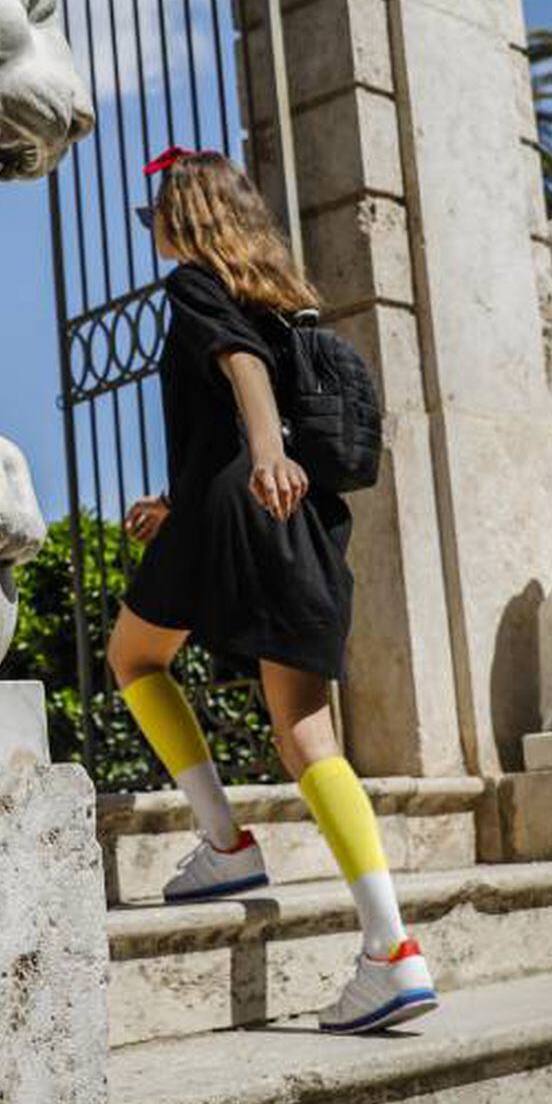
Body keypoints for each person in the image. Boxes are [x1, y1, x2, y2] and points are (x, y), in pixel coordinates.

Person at [108, 147, 437, 1035]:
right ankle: (391, 950)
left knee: (133, 656)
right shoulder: (283, 299)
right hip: (301, 525)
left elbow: (241, 374)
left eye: (157, 217)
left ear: (187, 218)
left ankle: (225, 844)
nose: (156, 234)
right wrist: (183, 494)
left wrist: (261, 456)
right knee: (308, 735)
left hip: (243, 508)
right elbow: (254, 389)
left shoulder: (194, 288)